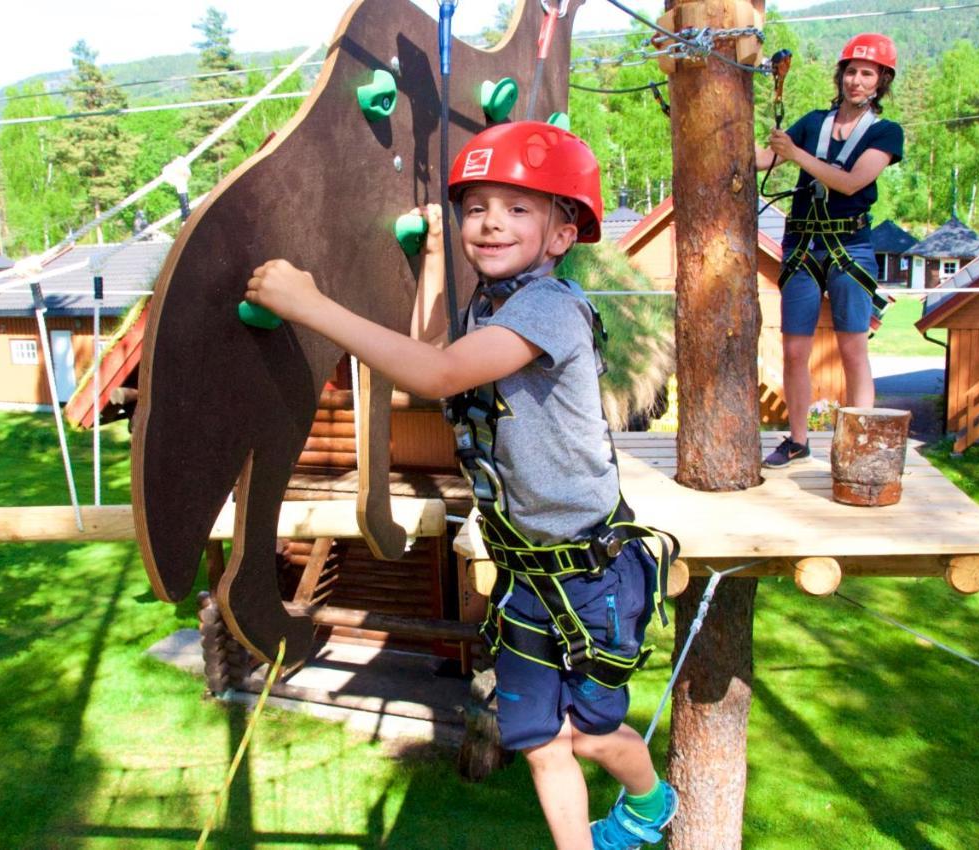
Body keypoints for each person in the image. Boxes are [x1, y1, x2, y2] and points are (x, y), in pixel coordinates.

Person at [245, 121, 677, 850]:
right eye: (476, 207)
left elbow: (439, 375)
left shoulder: (551, 308)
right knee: (539, 738)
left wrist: (308, 305)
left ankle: (649, 801)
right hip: (526, 576)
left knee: (592, 736)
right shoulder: (490, 306)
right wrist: (436, 265)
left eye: (517, 209)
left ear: (563, 234)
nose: (491, 222)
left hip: (591, 575)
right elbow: (431, 348)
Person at [755, 33, 904, 467]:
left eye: (867, 74)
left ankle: (861, 443)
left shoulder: (885, 133)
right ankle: (798, 440)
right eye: (852, 72)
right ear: (842, 76)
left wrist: (795, 155)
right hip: (803, 243)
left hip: (850, 246)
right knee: (795, 350)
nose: (857, 81)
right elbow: (767, 159)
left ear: (880, 82)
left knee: (853, 348)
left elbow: (851, 181)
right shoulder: (813, 122)